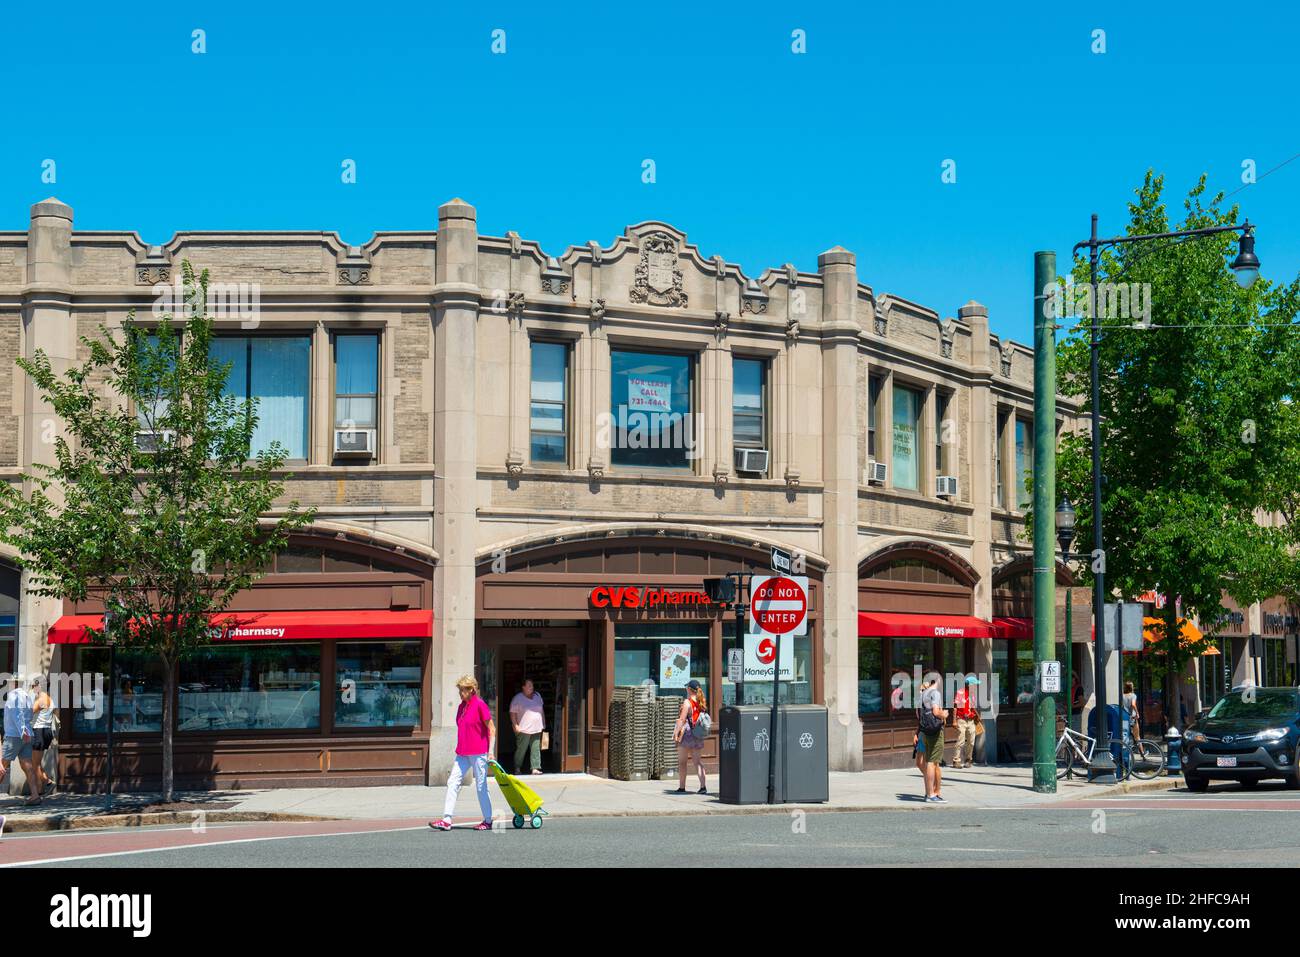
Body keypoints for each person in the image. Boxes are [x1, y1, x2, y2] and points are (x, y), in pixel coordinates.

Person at [429, 675, 496, 831]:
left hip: (479, 752)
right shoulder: (461, 707)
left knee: (481, 787)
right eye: (459, 690)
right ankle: (446, 820)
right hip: (463, 753)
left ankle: (487, 820)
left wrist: (490, 752)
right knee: (453, 782)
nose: (460, 693)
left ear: (471, 690)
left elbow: (491, 729)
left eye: (463, 690)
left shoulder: (480, 705)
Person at [0, 679, 41, 805]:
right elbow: (28, 715)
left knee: (2, 766)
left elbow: (17, 714)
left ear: (14, 684)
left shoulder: (14, 695)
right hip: (27, 735)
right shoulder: (27, 696)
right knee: (27, 765)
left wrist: (22, 730)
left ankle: (35, 796)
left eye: (11, 682)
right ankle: (35, 795)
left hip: (15, 735)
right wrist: (26, 731)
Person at [673, 679, 708, 795]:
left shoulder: (687, 702)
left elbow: (682, 719)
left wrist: (676, 733)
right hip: (698, 733)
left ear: (689, 689)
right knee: (697, 762)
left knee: (682, 762)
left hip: (687, 734)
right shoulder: (701, 701)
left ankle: (682, 787)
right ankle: (703, 787)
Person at [918, 675, 948, 803]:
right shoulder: (935, 693)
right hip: (935, 731)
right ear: (937, 681)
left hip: (925, 730)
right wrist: (944, 714)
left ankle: (928, 793)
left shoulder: (923, 693)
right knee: (932, 762)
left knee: (928, 762)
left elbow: (919, 714)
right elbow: (936, 712)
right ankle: (931, 794)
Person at [509, 678, 545, 775]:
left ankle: (535, 768)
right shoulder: (518, 698)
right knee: (521, 749)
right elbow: (512, 712)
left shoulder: (537, 696)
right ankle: (517, 768)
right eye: (529, 686)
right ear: (523, 687)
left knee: (535, 748)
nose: (531, 687)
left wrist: (543, 723)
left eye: (532, 685)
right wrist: (515, 725)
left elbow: (541, 711)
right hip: (524, 728)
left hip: (537, 727)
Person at [29, 676, 55, 795]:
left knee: (34, 764)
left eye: (33, 686)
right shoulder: (50, 699)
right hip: (47, 731)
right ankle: (40, 790)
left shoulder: (40, 700)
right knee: (37, 763)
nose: (32, 688)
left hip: (39, 731)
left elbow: (29, 712)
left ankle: (48, 782)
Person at [952, 675, 980, 769]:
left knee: (971, 741)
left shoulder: (973, 694)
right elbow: (955, 707)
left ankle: (968, 759)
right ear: (969, 685)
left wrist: (977, 715)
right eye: (975, 685)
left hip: (971, 720)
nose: (976, 686)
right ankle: (956, 760)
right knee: (961, 740)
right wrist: (954, 721)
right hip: (961, 720)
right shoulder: (960, 692)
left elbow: (972, 706)